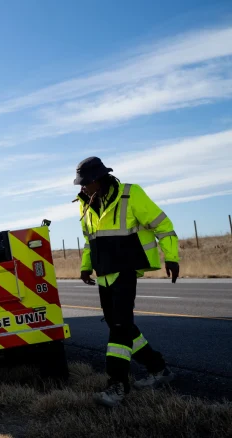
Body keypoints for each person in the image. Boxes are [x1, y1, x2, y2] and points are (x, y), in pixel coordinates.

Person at [74, 156, 180, 407]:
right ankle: (159, 368)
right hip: (104, 273)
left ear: (99, 179)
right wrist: (86, 266)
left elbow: (163, 225)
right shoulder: (85, 204)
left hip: (125, 269)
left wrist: (172, 257)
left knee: (119, 328)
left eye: (86, 182)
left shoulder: (131, 194)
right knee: (119, 324)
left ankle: (117, 385)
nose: (82, 187)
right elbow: (90, 240)